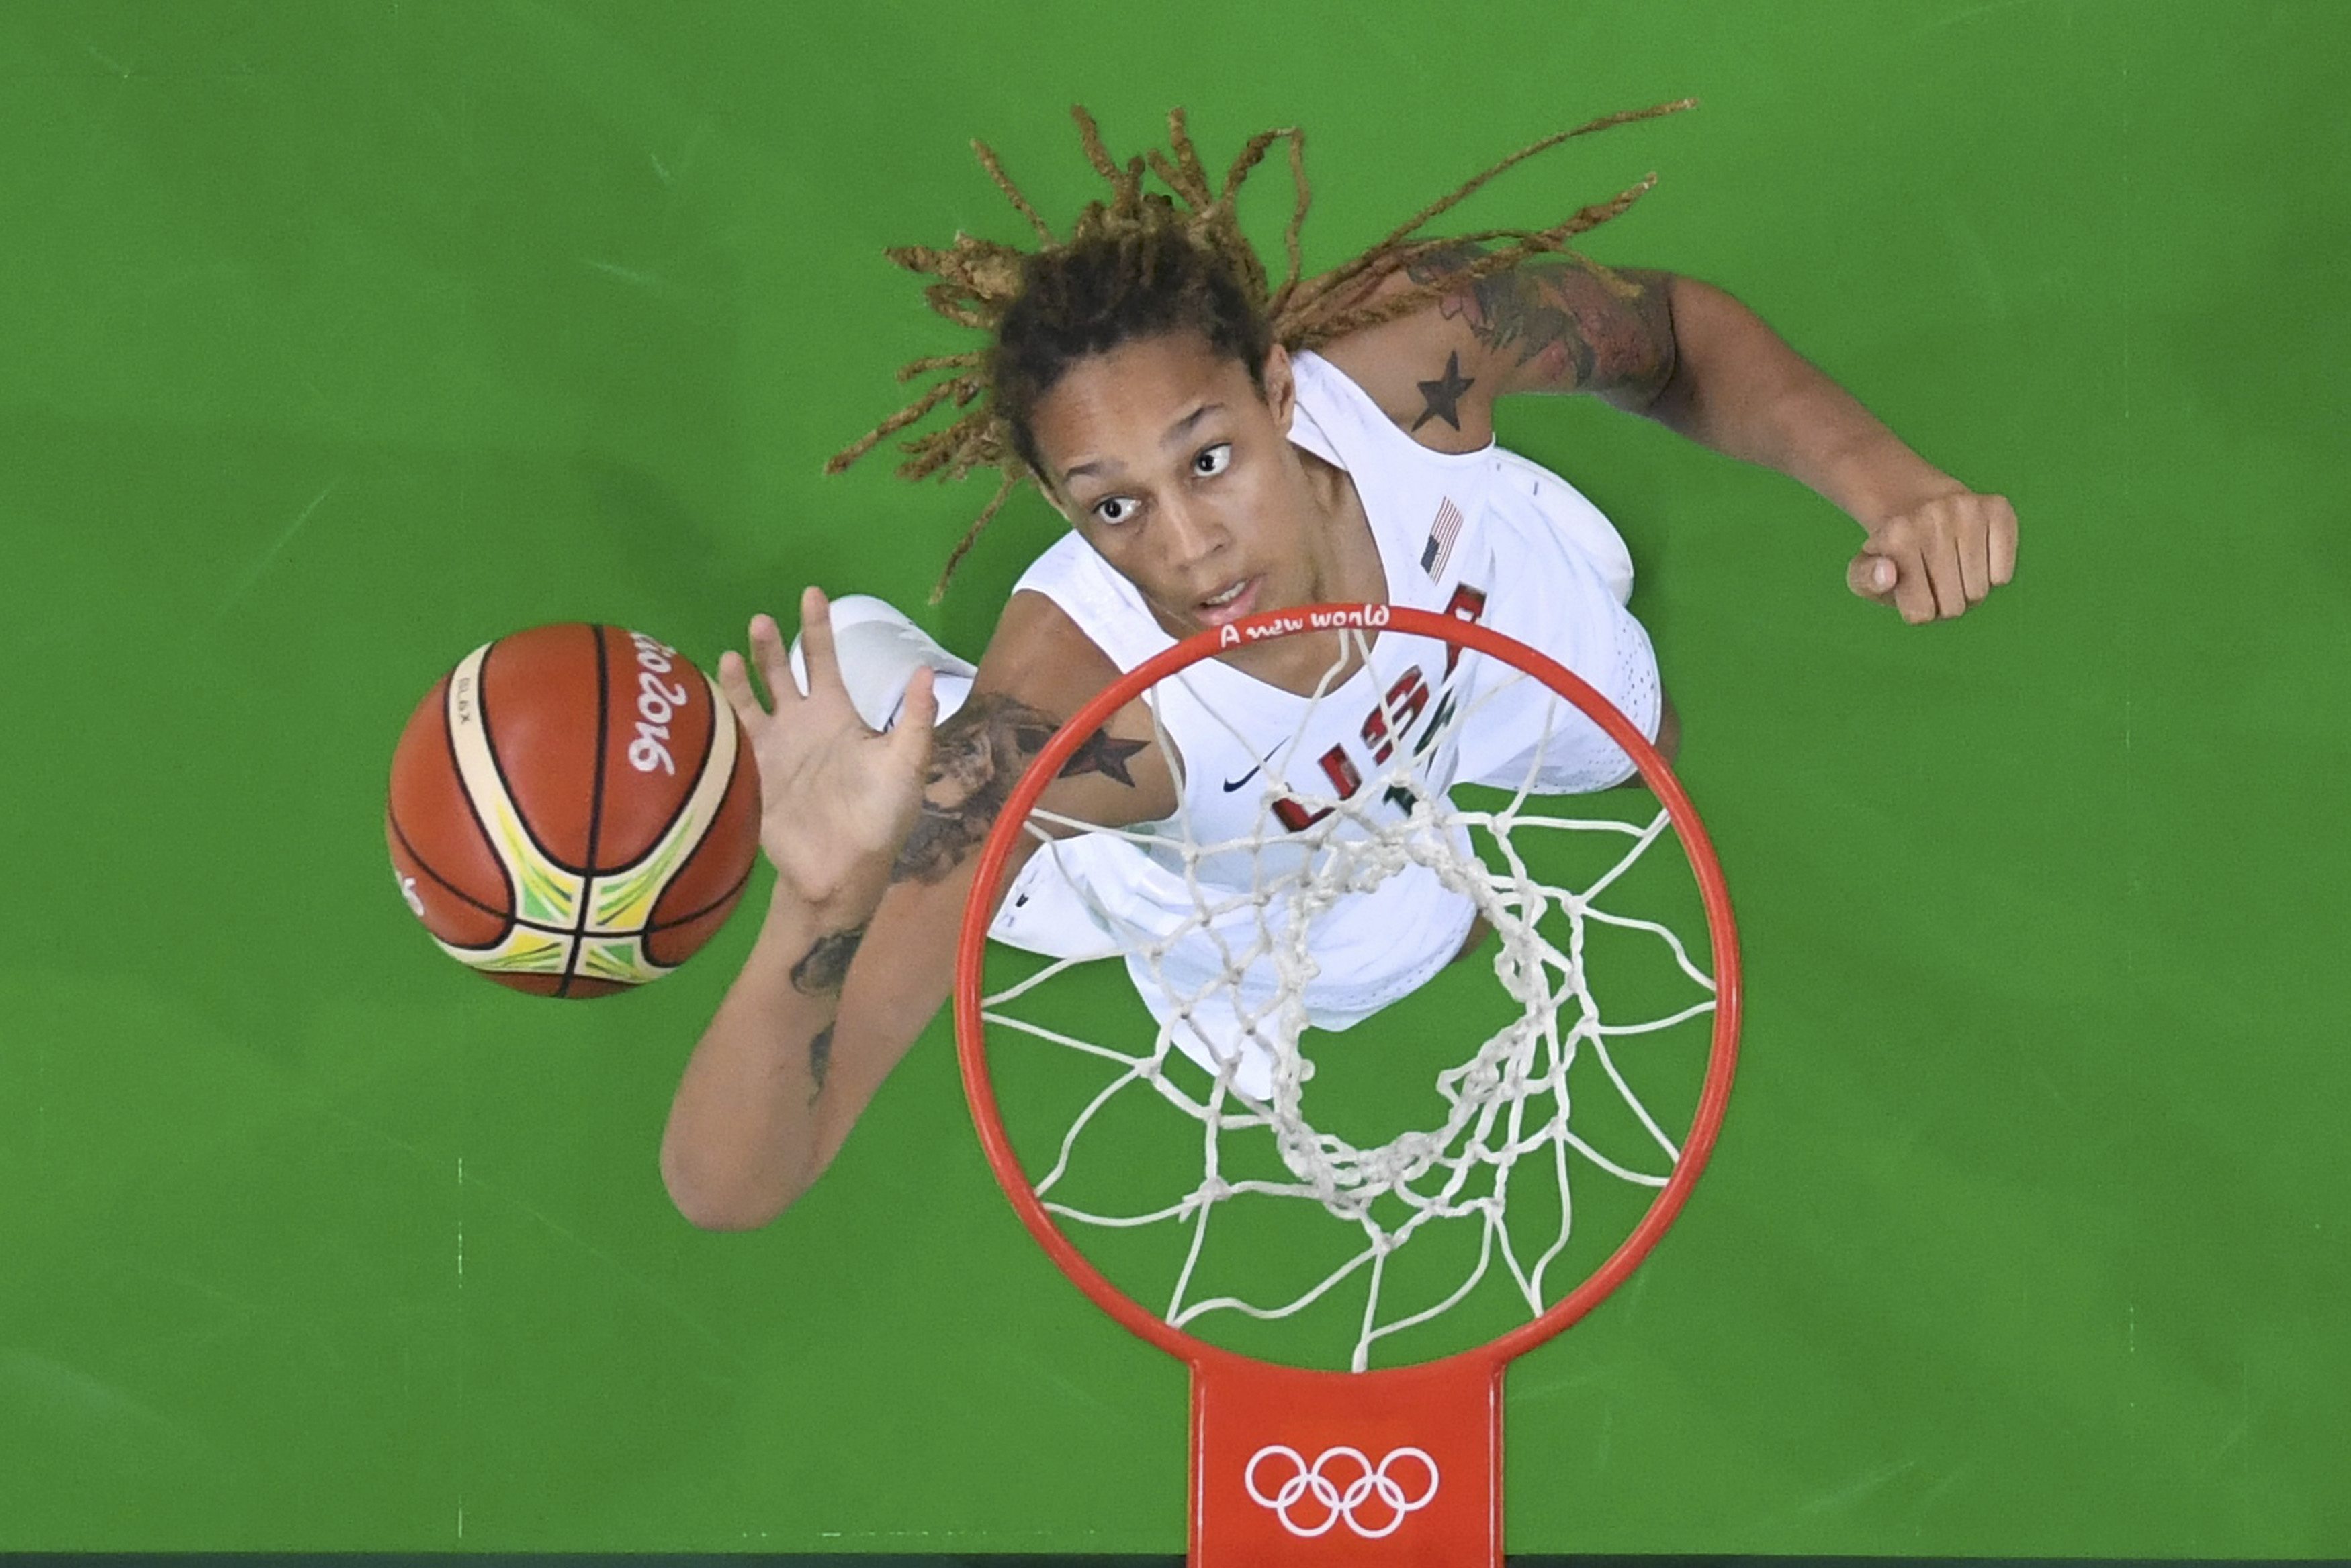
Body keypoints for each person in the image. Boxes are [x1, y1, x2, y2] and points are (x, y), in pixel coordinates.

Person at [659, 105, 2018, 1230]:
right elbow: (732, 1185)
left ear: (1281, 385)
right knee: (1381, 952)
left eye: (1209, 458)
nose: (1192, 550)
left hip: (1470, 656)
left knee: (1629, 717)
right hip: (1250, 856)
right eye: (1113, 505)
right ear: (1052, 500)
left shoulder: (1416, 362)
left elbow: (1669, 334)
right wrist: (819, 906)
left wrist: (1891, 486)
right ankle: (914, 696)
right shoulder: (1048, 731)